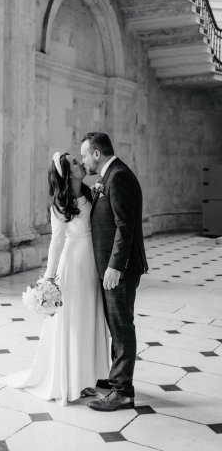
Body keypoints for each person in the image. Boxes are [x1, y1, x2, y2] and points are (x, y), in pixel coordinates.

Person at [4, 151, 110, 406]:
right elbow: (57, 241)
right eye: (75, 162)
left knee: (89, 318)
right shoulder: (60, 205)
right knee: (73, 321)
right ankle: (72, 380)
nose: (81, 163)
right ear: (66, 173)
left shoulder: (91, 193)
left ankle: (90, 377)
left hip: (92, 264)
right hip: (72, 267)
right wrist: (49, 278)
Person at [80, 132, 148, 412]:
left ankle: (123, 392)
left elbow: (125, 226)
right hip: (114, 266)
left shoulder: (117, 177)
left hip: (119, 268)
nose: (83, 160)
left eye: (84, 154)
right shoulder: (109, 176)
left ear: (97, 153)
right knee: (115, 325)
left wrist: (114, 266)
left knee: (121, 327)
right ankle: (115, 379)